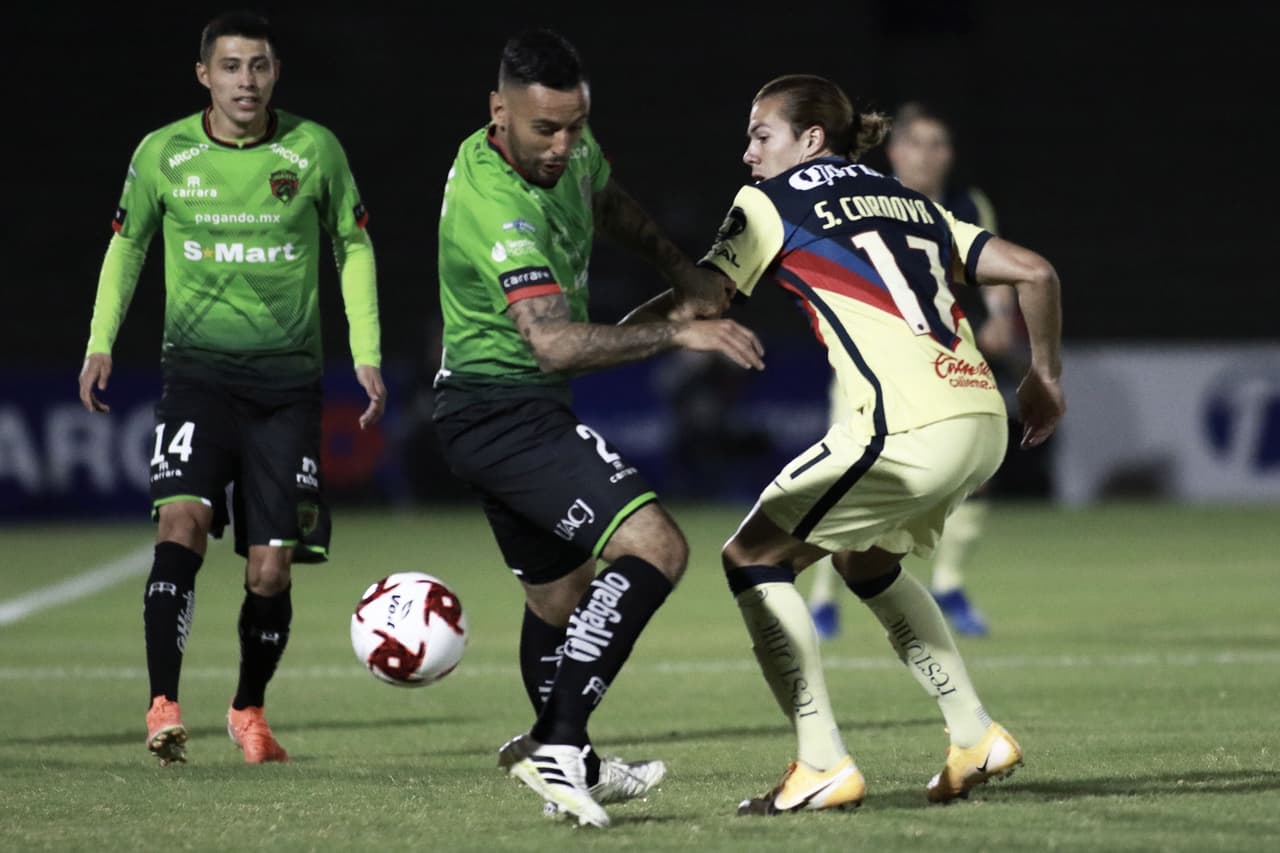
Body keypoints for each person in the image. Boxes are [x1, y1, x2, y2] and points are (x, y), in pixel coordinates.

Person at [686, 73, 1063, 813]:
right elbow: (1036, 272)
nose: (749, 154)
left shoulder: (768, 201)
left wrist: (605, 337)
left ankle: (821, 763)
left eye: (761, 135)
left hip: (907, 428)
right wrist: (1044, 376)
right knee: (865, 559)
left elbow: (701, 299)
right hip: (981, 418)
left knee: (752, 556)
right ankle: (975, 735)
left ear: (809, 139)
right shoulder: (912, 202)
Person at [430, 29, 763, 828]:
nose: (563, 145)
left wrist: (681, 271)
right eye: (545, 129)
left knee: (559, 596)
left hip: (512, 407)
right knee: (657, 547)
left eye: (575, 125)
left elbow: (606, 200)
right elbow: (550, 343)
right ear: (498, 111)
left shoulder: (567, 149)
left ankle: (568, 759)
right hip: (500, 409)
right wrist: (678, 330)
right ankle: (558, 743)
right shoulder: (493, 204)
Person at [78, 11, 386, 767]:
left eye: (259, 66)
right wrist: (99, 341)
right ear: (204, 76)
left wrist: (366, 351)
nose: (245, 81)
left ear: (275, 73)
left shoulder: (314, 150)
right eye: (230, 66)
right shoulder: (163, 153)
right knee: (179, 524)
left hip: (287, 387)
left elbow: (352, 244)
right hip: (197, 376)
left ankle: (249, 710)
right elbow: (128, 245)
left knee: (270, 568)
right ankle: (163, 704)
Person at [806, 100, 1023, 639]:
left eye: (938, 144)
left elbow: (995, 272)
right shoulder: (863, 198)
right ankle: (824, 598)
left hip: (946, 360)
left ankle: (949, 585)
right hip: (873, 365)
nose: (927, 155)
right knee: (849, 476)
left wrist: (1000, 319)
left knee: (975, 470)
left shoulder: (967, 204)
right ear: (894, 152)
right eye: (916, 143)